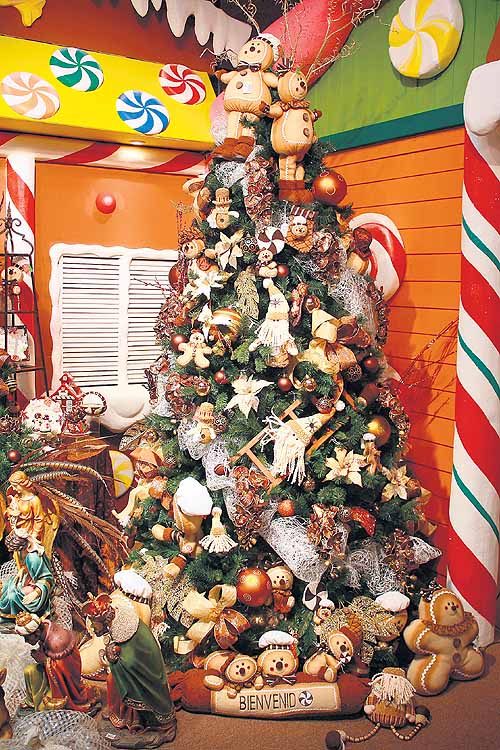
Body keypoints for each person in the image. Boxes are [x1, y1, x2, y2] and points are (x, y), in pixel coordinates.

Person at [82, 593, 176, 743]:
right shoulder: (117, 626)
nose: (93, 628)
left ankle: (141, 717)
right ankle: (123, 714)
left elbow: (131, 661)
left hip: (146, 673)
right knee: (111, 680)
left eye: (95, 624)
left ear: (105, 620)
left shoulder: (127, 629)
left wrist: (115, 660)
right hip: (134, 669)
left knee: (113, 680)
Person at [15, 611, 96, 712]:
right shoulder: (44, 631)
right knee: (29, 670)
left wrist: (44, 660)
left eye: (27, 637)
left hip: (64, 688)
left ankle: (40, 704)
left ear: (37, 632)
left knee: (42, 709)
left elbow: (64, 671)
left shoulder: (56, 642)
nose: (26, 641)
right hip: (51, 676)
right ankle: (31, 702)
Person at [0, 529, 53, 620]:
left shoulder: (33, 558)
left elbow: (46, 580)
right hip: (28, 579)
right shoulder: (24, 551)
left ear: (24, 546)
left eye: (17, 549)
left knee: (12, 597)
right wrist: (23, 570)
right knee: (8, 586)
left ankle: (14, 617)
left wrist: (35, 593)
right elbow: (29, 567)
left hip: (37, 587)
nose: (16, 552)